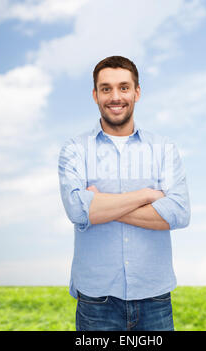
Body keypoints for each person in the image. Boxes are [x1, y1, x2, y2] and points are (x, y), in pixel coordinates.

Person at [58, 56, 191, 331]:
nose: (115, 97)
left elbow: (178, 213)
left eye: (123, 87)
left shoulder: (164, 149)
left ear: (137, 92)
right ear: (95, 95)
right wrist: (146, 195)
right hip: (96, 301)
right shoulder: (74, 149)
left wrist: (100, 207)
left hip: (154, 297)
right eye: (106, 89)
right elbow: (77, 211)